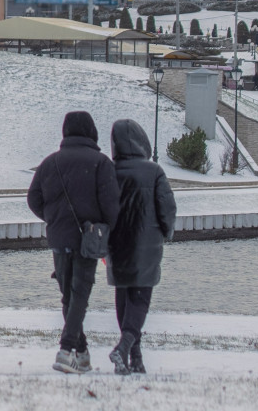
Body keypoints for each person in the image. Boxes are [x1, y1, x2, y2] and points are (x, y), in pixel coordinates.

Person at [27, 111, 120, 374]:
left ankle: (82, 353)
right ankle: (66, 350)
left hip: (59, 239)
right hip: (88, 239)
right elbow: (112, 205)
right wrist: (105, 228)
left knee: (69, 296)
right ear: (92, 131)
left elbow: (33, 198)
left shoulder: (50, 163)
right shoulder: (101, 163)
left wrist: (53, 218)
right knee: (79, 296)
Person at [106, 119, 177, 375]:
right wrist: (167, 231)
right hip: (147, 244)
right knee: (140, 300)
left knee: (123, 298)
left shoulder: (109, 171)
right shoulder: (154, 171)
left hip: (116, 245)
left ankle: (134, 357)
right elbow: (167, 208)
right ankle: (125, 349)